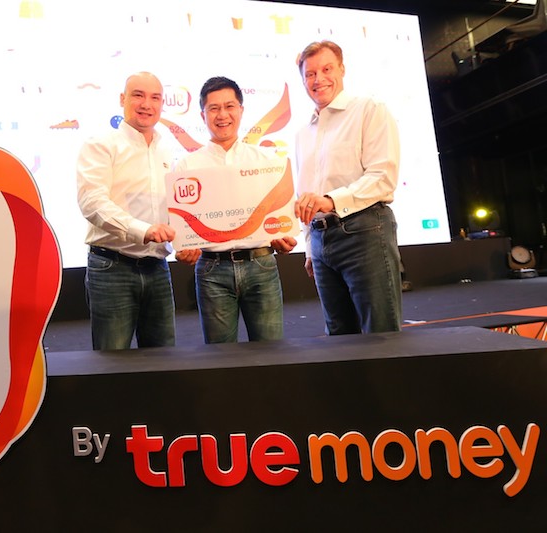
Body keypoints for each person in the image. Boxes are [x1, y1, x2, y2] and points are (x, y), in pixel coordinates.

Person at [174, 76, 297, 344]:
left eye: (229, 106)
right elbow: (179, 227)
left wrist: (284, 235)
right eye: (214, 108)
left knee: (271, 353)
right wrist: (182, 247)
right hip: (212, 270)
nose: (222, 115)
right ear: (202, 115)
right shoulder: (185, 167)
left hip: (261, 265)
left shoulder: (267, 161)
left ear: (241, 110)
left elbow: (281, 219)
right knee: (220, 356)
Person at [294, 40, 402, 335]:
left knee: (380, 334)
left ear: (342, 69)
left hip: (364, 231)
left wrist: (330, 200)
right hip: (320, 240)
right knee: (339, 337)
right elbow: (304, 194)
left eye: (326, 69)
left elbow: (383, 176)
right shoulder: (303, 133)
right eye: (310, 74)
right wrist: (309, 248)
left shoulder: (369, 110)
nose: (318, 79)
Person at [76, 72, 177, 350]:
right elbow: (92, 202)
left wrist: (191, 241)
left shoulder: (167, 150)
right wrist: (143, 230)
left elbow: (178, 208)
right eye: (138, 95)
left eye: (155, 97)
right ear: (122, 99)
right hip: (112, 268)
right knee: (112, 361)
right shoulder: (101, 144)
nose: (147, 104)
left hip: (158, 268)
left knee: (164, 360)